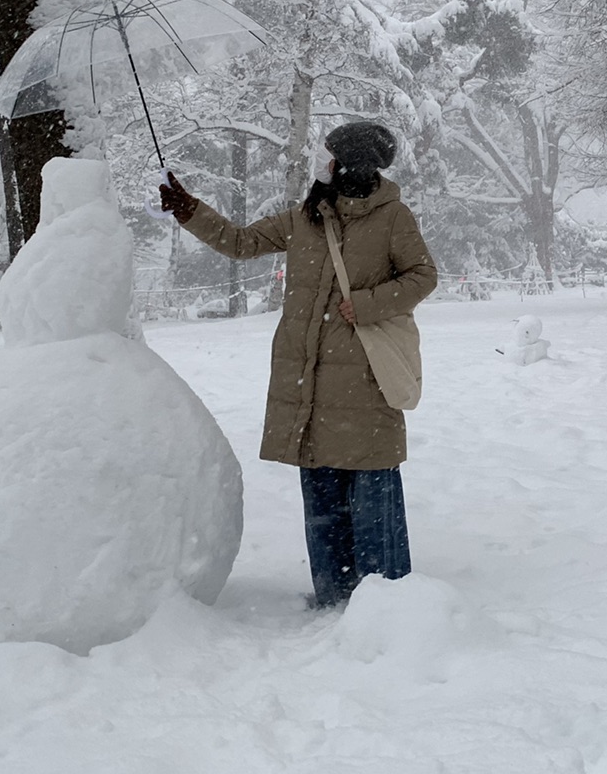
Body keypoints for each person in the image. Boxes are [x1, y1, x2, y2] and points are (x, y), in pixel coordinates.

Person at [158, 120, 437, 608]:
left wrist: (369, 303)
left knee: (371, 487)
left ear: (350, 163)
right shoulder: (307, 217)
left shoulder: (394, 217)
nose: (320, 163)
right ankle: (333, 593)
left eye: (327, 155)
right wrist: (190, 212)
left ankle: (385, 599)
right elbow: (240, 242)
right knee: (322, 489)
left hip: (365, 380)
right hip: (309, 379)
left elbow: (423, 276)